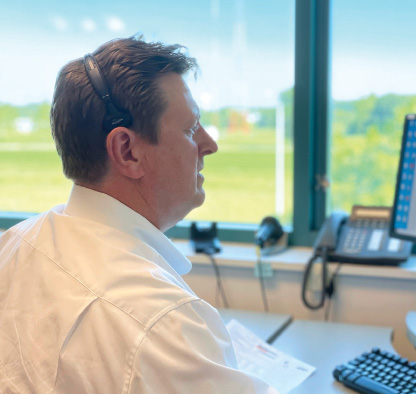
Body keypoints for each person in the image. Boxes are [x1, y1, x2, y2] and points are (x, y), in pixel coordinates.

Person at [0, 37, 279, 393]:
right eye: (191, 128)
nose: (210, 144)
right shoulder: (164, 324)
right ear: (127, 151)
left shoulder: (15, 242)